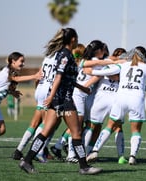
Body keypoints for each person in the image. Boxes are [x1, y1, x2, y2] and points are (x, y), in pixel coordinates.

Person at [19, 28, 102, 175]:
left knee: (45, 132)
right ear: (72, 39)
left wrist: (81, 87)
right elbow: (58, 77)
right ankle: (84, 167)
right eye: (76, 38)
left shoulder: (64, 54)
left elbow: (66, 79)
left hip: (58, 98)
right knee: (76, 133)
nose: (77, 40)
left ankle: (27, 160)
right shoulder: (65, 54)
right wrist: (51, 96)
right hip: (64, 99)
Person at [86, 46, 146, 165]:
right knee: (136, 131)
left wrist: (92, 72)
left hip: (121, 97)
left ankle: (95, 151)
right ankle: (132, 156)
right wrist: (139, 86)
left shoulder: (124, 64)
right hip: (136, 99)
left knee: (109, 126)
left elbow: (107, 71)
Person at [12, 53, 58, 162]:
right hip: (48, 90)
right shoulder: (61, 57)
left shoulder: (47, 58)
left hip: (40, 88)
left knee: (34, 124)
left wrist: (37, 90)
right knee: (47, 124)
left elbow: (39, 75)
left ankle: (18, 151)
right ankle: (38, 151)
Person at [85, 48, 128, 164]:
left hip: (110, 99)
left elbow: (111, 75)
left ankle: (120, 156)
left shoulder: (111, 64)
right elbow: (112, 74)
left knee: (114, 127)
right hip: (104, 98)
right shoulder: (112, 64)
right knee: (94, 126)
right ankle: (86, 152)